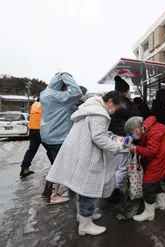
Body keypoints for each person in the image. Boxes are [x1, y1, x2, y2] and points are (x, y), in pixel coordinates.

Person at [46, 91, 127, 236]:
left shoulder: (90, 108)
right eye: (116, 107)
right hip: (87, 155)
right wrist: (118, 147)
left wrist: (111, 137)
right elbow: (99, 138)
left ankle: (83, 216)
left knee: (81, 187)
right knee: (89, 189)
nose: (115, 110)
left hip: (79, 152)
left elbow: (96, 133)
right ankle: (85, 224)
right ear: (109, 101)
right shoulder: (99, 114)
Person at [40, 72, 82, 205]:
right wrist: (65, 76)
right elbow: (77, 92)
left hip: (47, 134)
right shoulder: (60, 97)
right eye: (66, 86)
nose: (67, 89)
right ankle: (52, 196)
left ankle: (47, 193)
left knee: (55, 164)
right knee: (59, 167)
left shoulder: (45, 93)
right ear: (62, 84)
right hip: (58, 135)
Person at [124, 116, 165, 222]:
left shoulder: (153, 132)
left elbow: (152, 151)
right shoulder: (148, 128)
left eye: (132, 132)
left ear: (138, 127)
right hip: (163, 157)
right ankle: (160, 204)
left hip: (160, 159)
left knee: (148, 183)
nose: (133, 136)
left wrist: (136, 149)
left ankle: (149, 213)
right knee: (155, 181)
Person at [107, 75, 140, 202]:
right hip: (124, 138)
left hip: (110, 137)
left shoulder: (110, 103)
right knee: (122, 166)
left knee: (111, 164)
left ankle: (108, 186)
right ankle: (116, 189)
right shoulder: (127, 104)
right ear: (125, 91)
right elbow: (136, 120)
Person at [19, 97, 53, 178]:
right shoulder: (45, 106)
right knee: (51, 149)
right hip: (42, 131)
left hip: (32, 130)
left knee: (31, 150)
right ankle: (56, 168)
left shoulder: (34, 105)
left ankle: (24, 169)